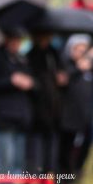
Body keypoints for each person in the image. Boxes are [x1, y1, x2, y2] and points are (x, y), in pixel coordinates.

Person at [0, 28, 34, 181]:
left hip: (20, 118)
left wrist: (29, 83)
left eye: (19, 40)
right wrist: (10, 81)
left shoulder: (21, 59)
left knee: (18, 162)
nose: (17, 43)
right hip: (2, 118)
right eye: (14, 39)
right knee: (4, 163)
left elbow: (32, 81)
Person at [59, 35, 93, 182]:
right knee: (65, 151)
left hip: (85, 118)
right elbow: (64, 79)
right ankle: (61, 181)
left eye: (85, 49)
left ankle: (74, 175)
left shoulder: (91, 68)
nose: (82, 52)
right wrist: (85, 60)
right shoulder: (67, 65)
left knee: (84, 149)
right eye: (78, 49)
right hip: (68, 118)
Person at [26, 31, 66, 175]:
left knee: (52, 147)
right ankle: (36, 175)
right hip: (37, 109)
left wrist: (61, 77)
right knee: (36, 147)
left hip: (54, 108)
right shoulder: (31, 55)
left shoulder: (54, 54)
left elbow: (61, 73)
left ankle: (50, 177)